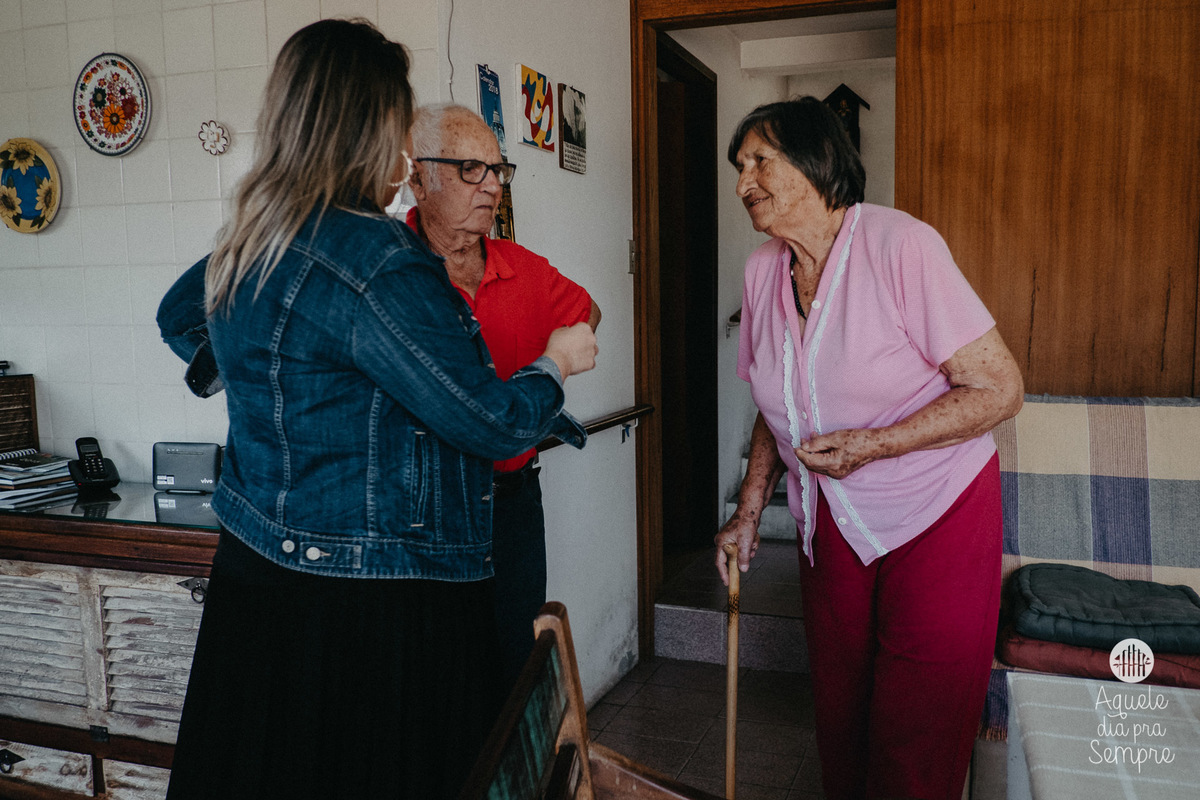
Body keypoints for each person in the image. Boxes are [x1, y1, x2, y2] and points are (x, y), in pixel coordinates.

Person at [156, 19, 597, 800]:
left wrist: (298, 379)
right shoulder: (377, 262)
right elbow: (489, 419)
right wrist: (553, 366)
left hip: (256, 577)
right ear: (375, 131)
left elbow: (178, 319)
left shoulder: (250, 239)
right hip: (367, 599)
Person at [715, 97, 1023, 800]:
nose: (743, 183)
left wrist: (876, 445)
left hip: (935, 517)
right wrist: (749, 511)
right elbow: (775, 403)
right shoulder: (765, 270)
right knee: (843, 716)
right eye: (739, 167)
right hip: (833, 526)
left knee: (916, 730)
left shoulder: (899, 245)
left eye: (760, 161)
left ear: (816, 160)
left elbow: (1000, 389)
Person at [405, 104, 601, 693]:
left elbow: (587, 313)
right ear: (418, 177)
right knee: (438, 673)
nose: (492, 185)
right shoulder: (393, 269)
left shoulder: (522, 268)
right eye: (471, 169)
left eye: (498, 169)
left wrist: (548, 364)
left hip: (512, 506)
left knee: (516, 662)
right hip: (426, 511)